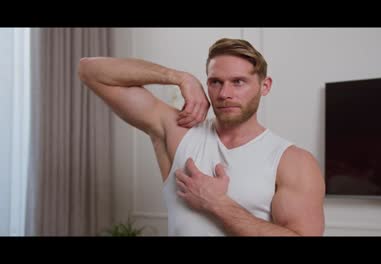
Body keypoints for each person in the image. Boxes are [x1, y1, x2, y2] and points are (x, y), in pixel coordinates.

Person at [78, 38, 325, 236]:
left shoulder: (293, 161)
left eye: (238, 82)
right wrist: (179, 77)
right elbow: (89, 70)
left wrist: (218, 204)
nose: (225, 93)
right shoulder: (179, 132)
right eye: (215, 82)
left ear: (265, 86)